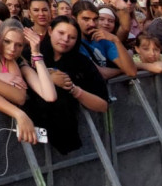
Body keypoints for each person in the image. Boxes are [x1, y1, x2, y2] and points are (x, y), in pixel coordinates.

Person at [30, 17, 109, 154]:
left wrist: (74, 90)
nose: (65, 39)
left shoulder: (82, 63)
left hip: (69, 140)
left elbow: (103, 105)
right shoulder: (29, 54)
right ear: (50, 31)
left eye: (72, 37)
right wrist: (47, 77)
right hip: (31, 138)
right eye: (61, 33)